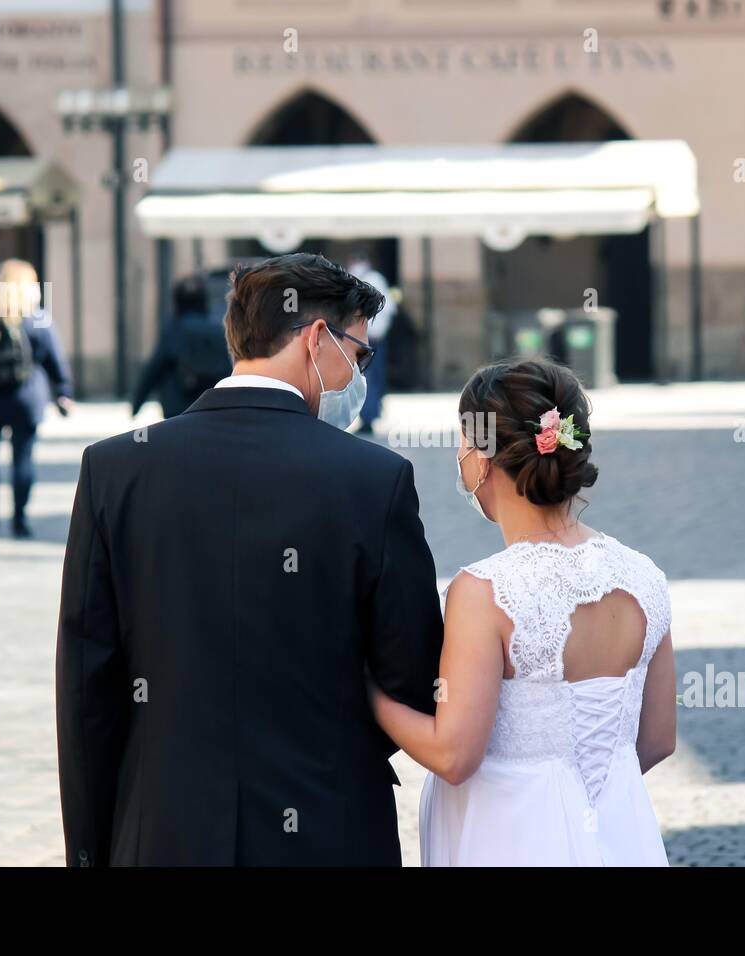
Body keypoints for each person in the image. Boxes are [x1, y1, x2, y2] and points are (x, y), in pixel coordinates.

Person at [55, 252, 444, 866]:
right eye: (360, 356)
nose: (360, 376)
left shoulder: (115, 468)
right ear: (318, 338)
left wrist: (89, 852)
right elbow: (414, 675)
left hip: (163, 830)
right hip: (328, 825)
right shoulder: (374, 478)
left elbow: (86, 690)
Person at [367, 358, 677, 866]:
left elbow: (453, 755)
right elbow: (658, 738)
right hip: (622, 837)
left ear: (482, 459)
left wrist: (371, 693)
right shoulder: (645, 577)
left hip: (508, 838)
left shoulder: (485, 591)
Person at [0, 258, 73, 539]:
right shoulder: (37, 318)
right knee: (22, 458)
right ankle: (20, 519)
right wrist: (63, 391)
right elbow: (54, 358)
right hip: (27, 398)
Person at [130, 274, 232, 419]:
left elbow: (155, 368)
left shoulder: (174, 330)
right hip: (210, 405)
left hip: (178, 407)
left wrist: (137, 404)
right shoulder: (216, 329)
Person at [346, 251, 394, 435]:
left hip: (369, 339)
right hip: (372, 338)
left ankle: (369, 417)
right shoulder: (370, 279)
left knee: (369, 379)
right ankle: (370, 415)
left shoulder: (370, 280)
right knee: (371, 378)